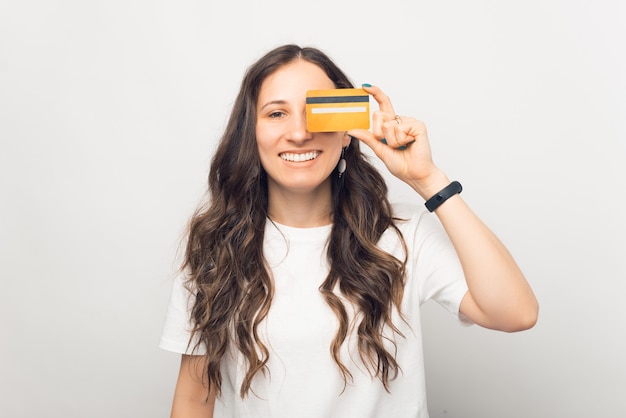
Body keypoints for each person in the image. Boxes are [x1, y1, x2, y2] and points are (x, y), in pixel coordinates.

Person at [159, 44, 538, 418]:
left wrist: (428, 180)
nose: (299, 133)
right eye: (276, 113)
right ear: (250, 133)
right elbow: (194, 401)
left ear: (346, 132)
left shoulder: (402, 233)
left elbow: (515, 313)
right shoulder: (215, 248)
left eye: (317, 112)